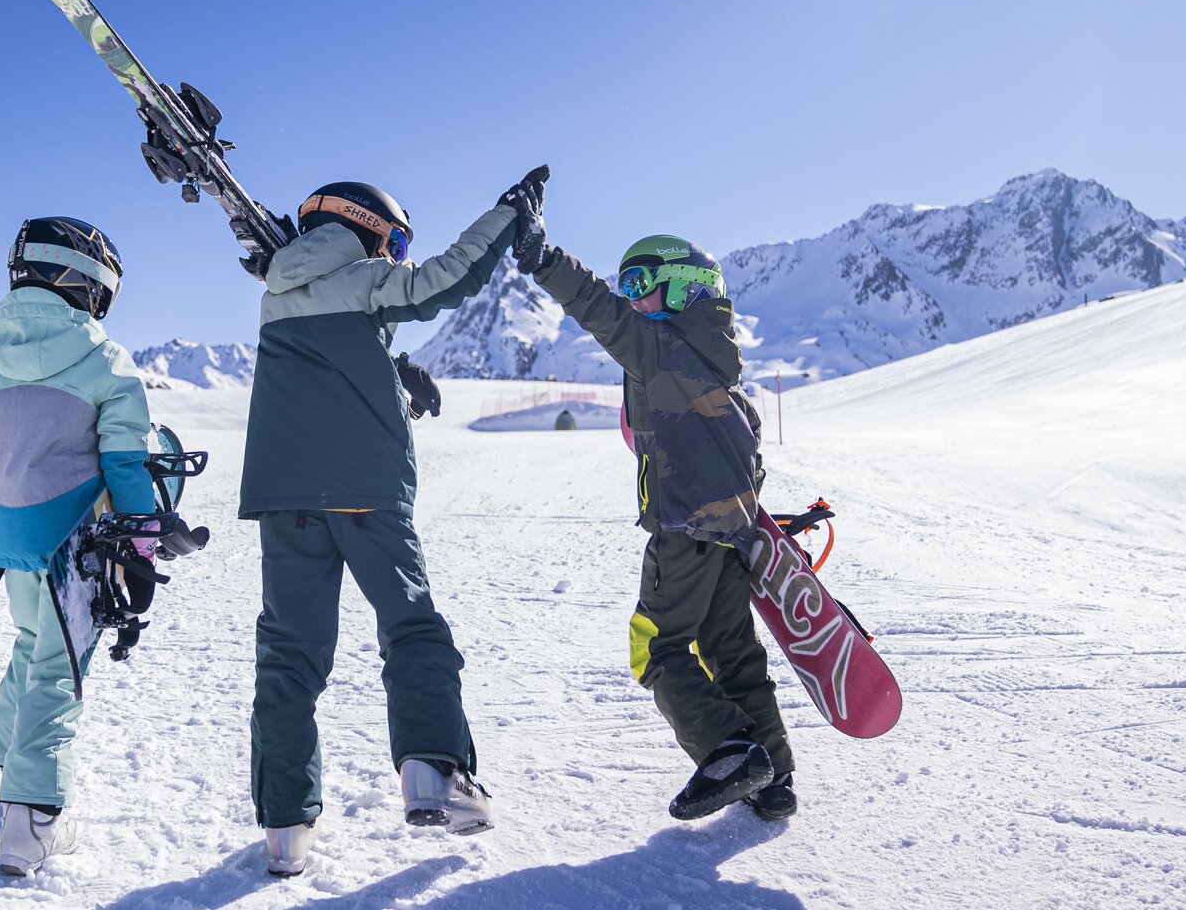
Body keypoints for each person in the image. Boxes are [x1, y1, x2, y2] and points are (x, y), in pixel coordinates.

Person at [240, 175, 530, 876]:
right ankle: (434, 774)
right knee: (411, 626)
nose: (396, 256)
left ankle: (285, 827)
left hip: (285, 497)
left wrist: (395, 379)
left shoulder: (276, 293)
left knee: (289, 656)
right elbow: (449, 277)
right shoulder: (370, 279)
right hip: (367, 494)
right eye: (395, 243)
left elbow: (330, 358)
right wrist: (507, 215)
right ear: (367, 228)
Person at [506, 173, 798, 823]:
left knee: (657, 646)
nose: (632, 299)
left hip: (684, 530)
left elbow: (596, 307)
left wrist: (542, 257)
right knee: (730, 650)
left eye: (641, 284)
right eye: (628, 286)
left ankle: (728, 751)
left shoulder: (660, 348)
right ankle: (773, 777)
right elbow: (746, 447)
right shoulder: (719, 360)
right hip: (730, 532)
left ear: (686, 285)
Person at [0, 217, 159, 875]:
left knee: (32, 644)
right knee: (57, 671)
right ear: (88, 282)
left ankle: (8, 769)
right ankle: (32, 818)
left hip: (10, 536)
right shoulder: (105, 359)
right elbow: (126, 463)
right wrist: (140, 546)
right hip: (75, 544)